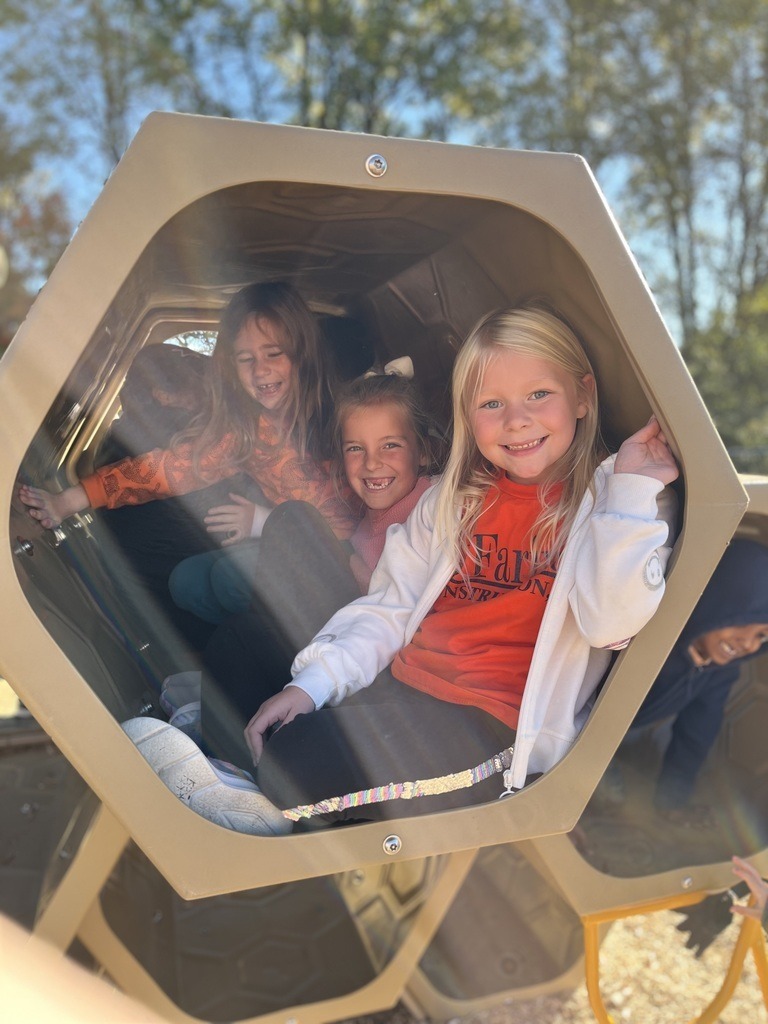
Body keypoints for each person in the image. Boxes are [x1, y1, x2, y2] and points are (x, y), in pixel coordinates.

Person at [123, 302, 679, 836]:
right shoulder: (452, 500)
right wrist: (313, 686)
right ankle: (234, 772)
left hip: (493, 729)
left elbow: (610, 624)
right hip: (403, 687)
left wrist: (631, 490)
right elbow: (390, 609)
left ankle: (254, 801)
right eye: (490, 404)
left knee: (299, 760)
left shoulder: (618, 504)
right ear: (466, 414)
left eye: (539, 394)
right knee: (250, 656)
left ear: (583, 395)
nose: (516, 421)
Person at [19, 282, 361, 630]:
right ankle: (246, 651)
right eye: (246, 359)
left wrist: (265, 520)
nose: (260, 370)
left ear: (302, 353)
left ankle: (312, 642)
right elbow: (167, 470)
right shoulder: (245, 431)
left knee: (230, 578)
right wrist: (70, 500)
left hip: (348, 553)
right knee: (187, 583)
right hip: (286, 541)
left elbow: (376, 491)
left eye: (274, 353)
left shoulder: (343, 416)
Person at [176, 368, 444, 766]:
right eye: (356, 448)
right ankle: (224, 752)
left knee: (293, 521)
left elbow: (397, 602)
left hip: (381, 651)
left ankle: (229, 753)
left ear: (422, 450)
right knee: (239, 632)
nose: (372, 464)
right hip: (351, 629)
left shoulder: (434, 505)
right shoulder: (370, 505)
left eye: (390, 445)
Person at [605, 537, 768, 827]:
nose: (749, 643)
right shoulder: (654, 636)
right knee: (609, 798)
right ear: (717, 604)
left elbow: (696, 734)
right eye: (743, 623)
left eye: (761, 635)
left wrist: (672, 803)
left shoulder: (720, 671)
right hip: (581, 729)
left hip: (628, 730)